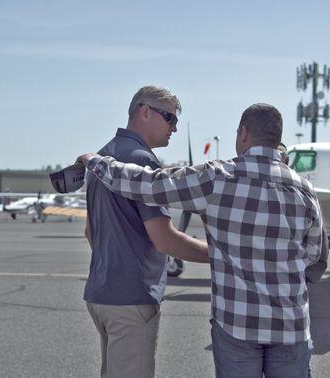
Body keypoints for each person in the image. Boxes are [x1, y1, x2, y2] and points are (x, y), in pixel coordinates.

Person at [78, 103, 323, 378]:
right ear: (277, 139)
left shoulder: (218, 177)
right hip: (291, 326)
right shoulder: (305, 189)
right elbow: (313, 254)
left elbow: (149, 184)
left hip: (237, 325)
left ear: (243, 134)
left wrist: (97, 162)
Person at [83, 85, 209, 378]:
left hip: (101, 294)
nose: (174, 129)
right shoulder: (142, 160)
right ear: (144, 112)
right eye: (169, 118)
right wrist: (219, 255)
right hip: (130, 298)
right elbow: (164, 239)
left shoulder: (101, 158)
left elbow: (90, 232)